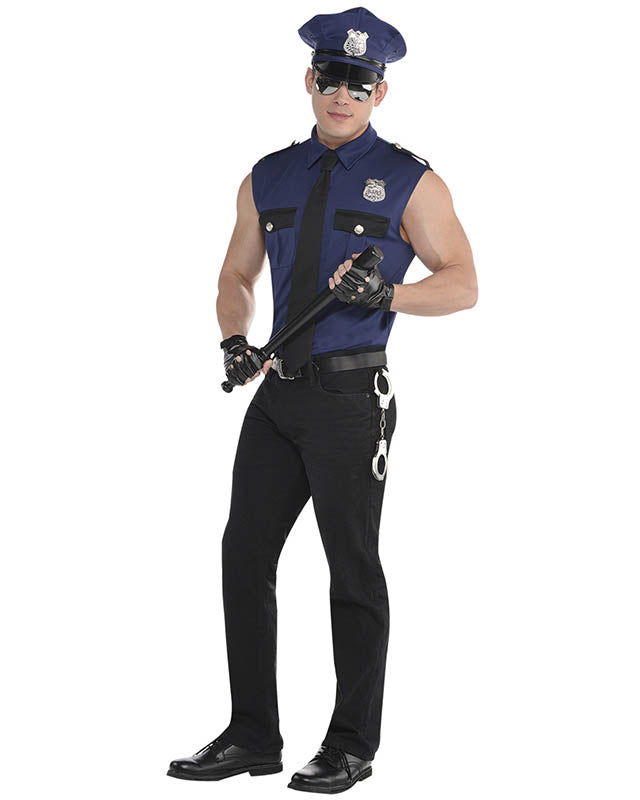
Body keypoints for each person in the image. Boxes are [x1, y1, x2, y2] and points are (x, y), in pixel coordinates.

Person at [167, 5, 477, 793]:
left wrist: (389, 294)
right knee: (243, 556)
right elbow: (235, 275)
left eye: (360, 84)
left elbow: (463, 284)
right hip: (278, 397)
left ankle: (350, 744)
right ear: (310, 79)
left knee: (351, 569)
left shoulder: (411, 180)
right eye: (332, 79)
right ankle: (252, 734)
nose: (343, 95)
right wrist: (234, 339)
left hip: (350, 401)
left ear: (381, 93)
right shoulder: (268, 175)